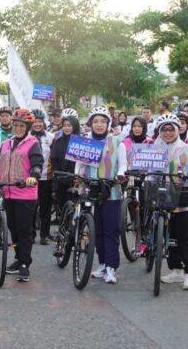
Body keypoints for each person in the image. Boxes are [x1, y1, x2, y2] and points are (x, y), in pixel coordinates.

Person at [153, 114, 188, 290]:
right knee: (170, 235)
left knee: (187, 237)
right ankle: (176, 270)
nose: (167, 133)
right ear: (160, 132)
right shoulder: (155, 148)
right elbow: (148, 169)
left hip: (184, 200)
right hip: (163, 197)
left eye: (171, 129)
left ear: (177, 130)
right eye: (164, 130)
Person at [0, 109, 43, 282]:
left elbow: (37, 163)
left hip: (25, 194)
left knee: (24, 231)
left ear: (28, 127)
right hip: (7, 191)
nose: (18, 128)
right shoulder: (6, 143)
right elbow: (2, 164)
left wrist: (33, 176)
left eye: (22, 126)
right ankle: (18, 258)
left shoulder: (32, 143)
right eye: (16, 125)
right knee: (12, 229)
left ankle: (24, 264)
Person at [79, 106, 127, 284]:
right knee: (96, 229)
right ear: (91, 123)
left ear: (108, 123)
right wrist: (77, 176)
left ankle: (111, 267)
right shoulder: (84, 142)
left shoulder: (117, 142)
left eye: (103, 121)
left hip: (111, 191)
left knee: (111, 230)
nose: (99, 125)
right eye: (96, 121)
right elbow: (80, 164)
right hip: (91, 189)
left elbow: (123, 164)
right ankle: (101, 263)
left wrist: (120, 175)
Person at [48, 115, 80, 248]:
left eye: (70, 125)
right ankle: (63, 234)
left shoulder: (81, 142)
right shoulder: (58, 140)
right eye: (65, 125)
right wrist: (56, 178)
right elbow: (53, 160)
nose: (67, 128)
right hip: (60, 178)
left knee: (75, 208)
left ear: (75, 126)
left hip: (75, 179)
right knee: (61, 208)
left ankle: (74, 235)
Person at [31, 109, 55, 245]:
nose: (37, 124)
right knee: (31, 207)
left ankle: (44, 235)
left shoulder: (50, 137)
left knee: (45, 208)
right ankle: (31, 234)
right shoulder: (27, 136)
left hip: (46, 177)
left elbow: (54, 156)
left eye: (40, 122)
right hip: (31, 178)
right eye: (34, 122)